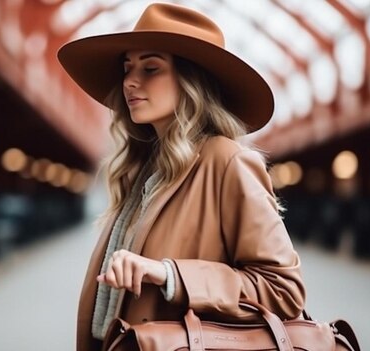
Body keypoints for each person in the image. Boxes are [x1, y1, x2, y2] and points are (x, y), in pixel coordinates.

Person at [58, 3, 306, 350]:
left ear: (191, 80)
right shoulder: (143, 167)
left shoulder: (228, 161)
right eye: (128, 67)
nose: (130, 80)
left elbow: (283, 289)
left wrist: (169, 274)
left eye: (151, 68)